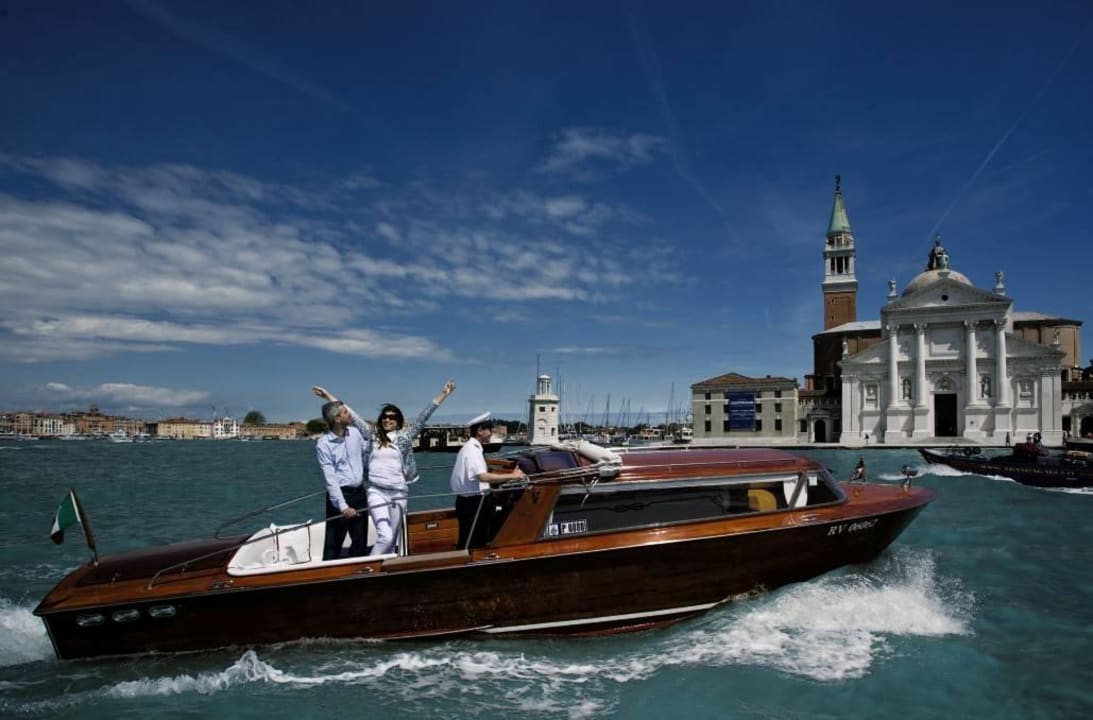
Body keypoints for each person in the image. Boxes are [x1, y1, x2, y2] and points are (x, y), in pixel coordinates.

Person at [313, 380, 456, 556]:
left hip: (398, 493)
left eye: (392, 417)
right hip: (376, 492)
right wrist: (328, 396)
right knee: (386, 537)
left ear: (398, 421)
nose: (388, 419)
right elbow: (350, 414)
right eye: (385, 416)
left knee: (392, 539)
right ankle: (368, 568)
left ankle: (382, 573)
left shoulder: (404, 437)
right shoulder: (371, 435)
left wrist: (444, 394)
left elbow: (423, 416)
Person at [449, 412, 526, 550]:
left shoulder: (469, 448)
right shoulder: (473, 451)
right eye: (489, 429)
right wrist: (513, 476)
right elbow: (483, 477)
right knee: (474, 541)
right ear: (479, 431)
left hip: (466, 501)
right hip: (473, 503)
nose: (491, 433)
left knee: (468, 539)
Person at [315, 399, 369, 560]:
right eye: (345, 412)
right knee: (333, 542)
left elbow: (369, 451)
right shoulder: (323, 444)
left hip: (360, 493)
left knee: (360, 541)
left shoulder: (356, 433)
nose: (349, 413)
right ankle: (327, 577)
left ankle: (359, 573)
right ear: (337, 419)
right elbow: (330, 478)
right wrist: (343, 506)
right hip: (341, 496)